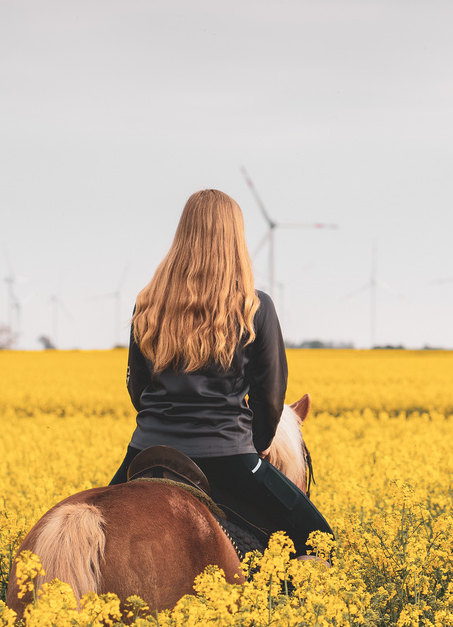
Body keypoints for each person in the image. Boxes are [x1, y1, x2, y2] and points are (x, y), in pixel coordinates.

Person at [108, 188, 331, 555]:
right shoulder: (255, 308)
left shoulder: (146, 304)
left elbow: (138, 388)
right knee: (321, 541)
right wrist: (254, 446)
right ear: (236, 238)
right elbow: (270, 399)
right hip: (228, 456)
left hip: (148, 451)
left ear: (183, 236)